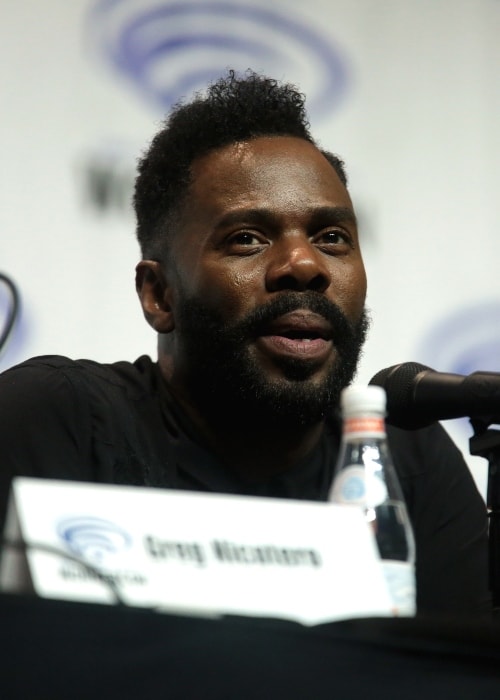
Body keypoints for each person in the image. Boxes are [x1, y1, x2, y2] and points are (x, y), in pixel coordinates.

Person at [0, 70, 491, 616]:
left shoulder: (404, 461)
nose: (304, 266)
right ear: (159, 295)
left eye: (332, 238)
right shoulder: (59, 423)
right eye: (247, 239)